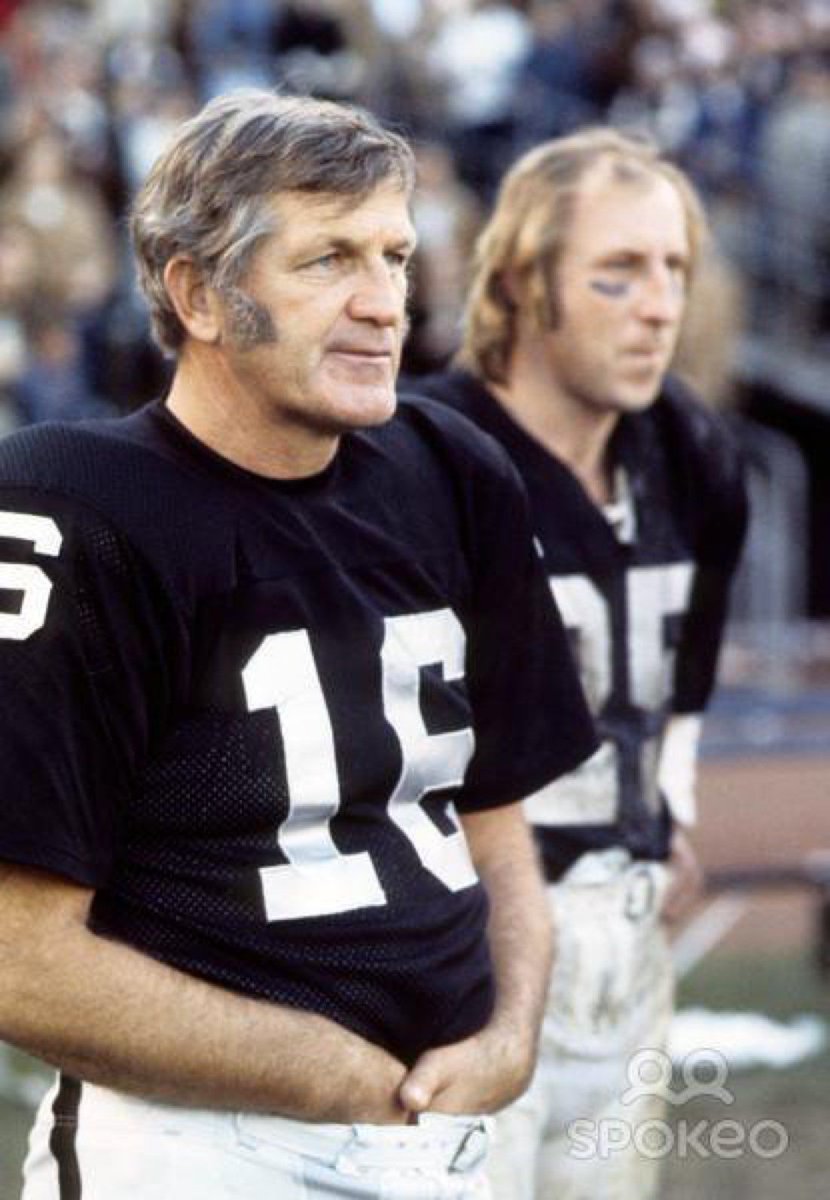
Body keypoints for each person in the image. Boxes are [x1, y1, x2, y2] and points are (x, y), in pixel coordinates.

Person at [0, 90, 599, 1200]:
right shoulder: (74, 507)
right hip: (201, 1148)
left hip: (439, 1135)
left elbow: (494, 820)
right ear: (199, 294)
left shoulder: (450, 471)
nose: (383, 303)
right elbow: (16, 958)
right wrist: (323, 1072)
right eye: (328, 260)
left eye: (394, 257)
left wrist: (513, 1030)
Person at [416, 128, 748, 1200]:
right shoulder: (421, 459)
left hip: (627, 932)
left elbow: (686, 673)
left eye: (673, 271)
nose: (659, 307)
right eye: (617, 273)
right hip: (469, 948)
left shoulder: (688, 452)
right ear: (522, 282)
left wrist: (669, 798)